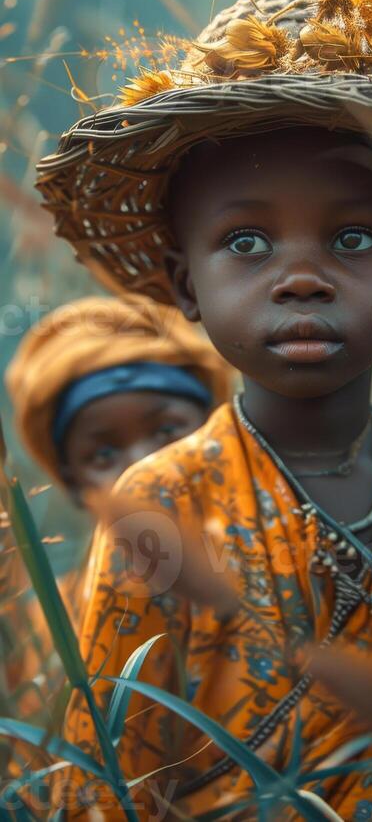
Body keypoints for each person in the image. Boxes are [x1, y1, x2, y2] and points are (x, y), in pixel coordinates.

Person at [35, 0, 372, 819]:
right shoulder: (161, 505)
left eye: (353, 238)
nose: (299, 278)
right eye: (244, 242)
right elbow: (105, 787)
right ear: (186, 286)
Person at [2, 293, 233, 712]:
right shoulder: (52, 636)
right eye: (103, 455)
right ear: (73, 484)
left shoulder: (295, 558)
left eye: (167, 432)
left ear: (219, 433)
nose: (142, 469)